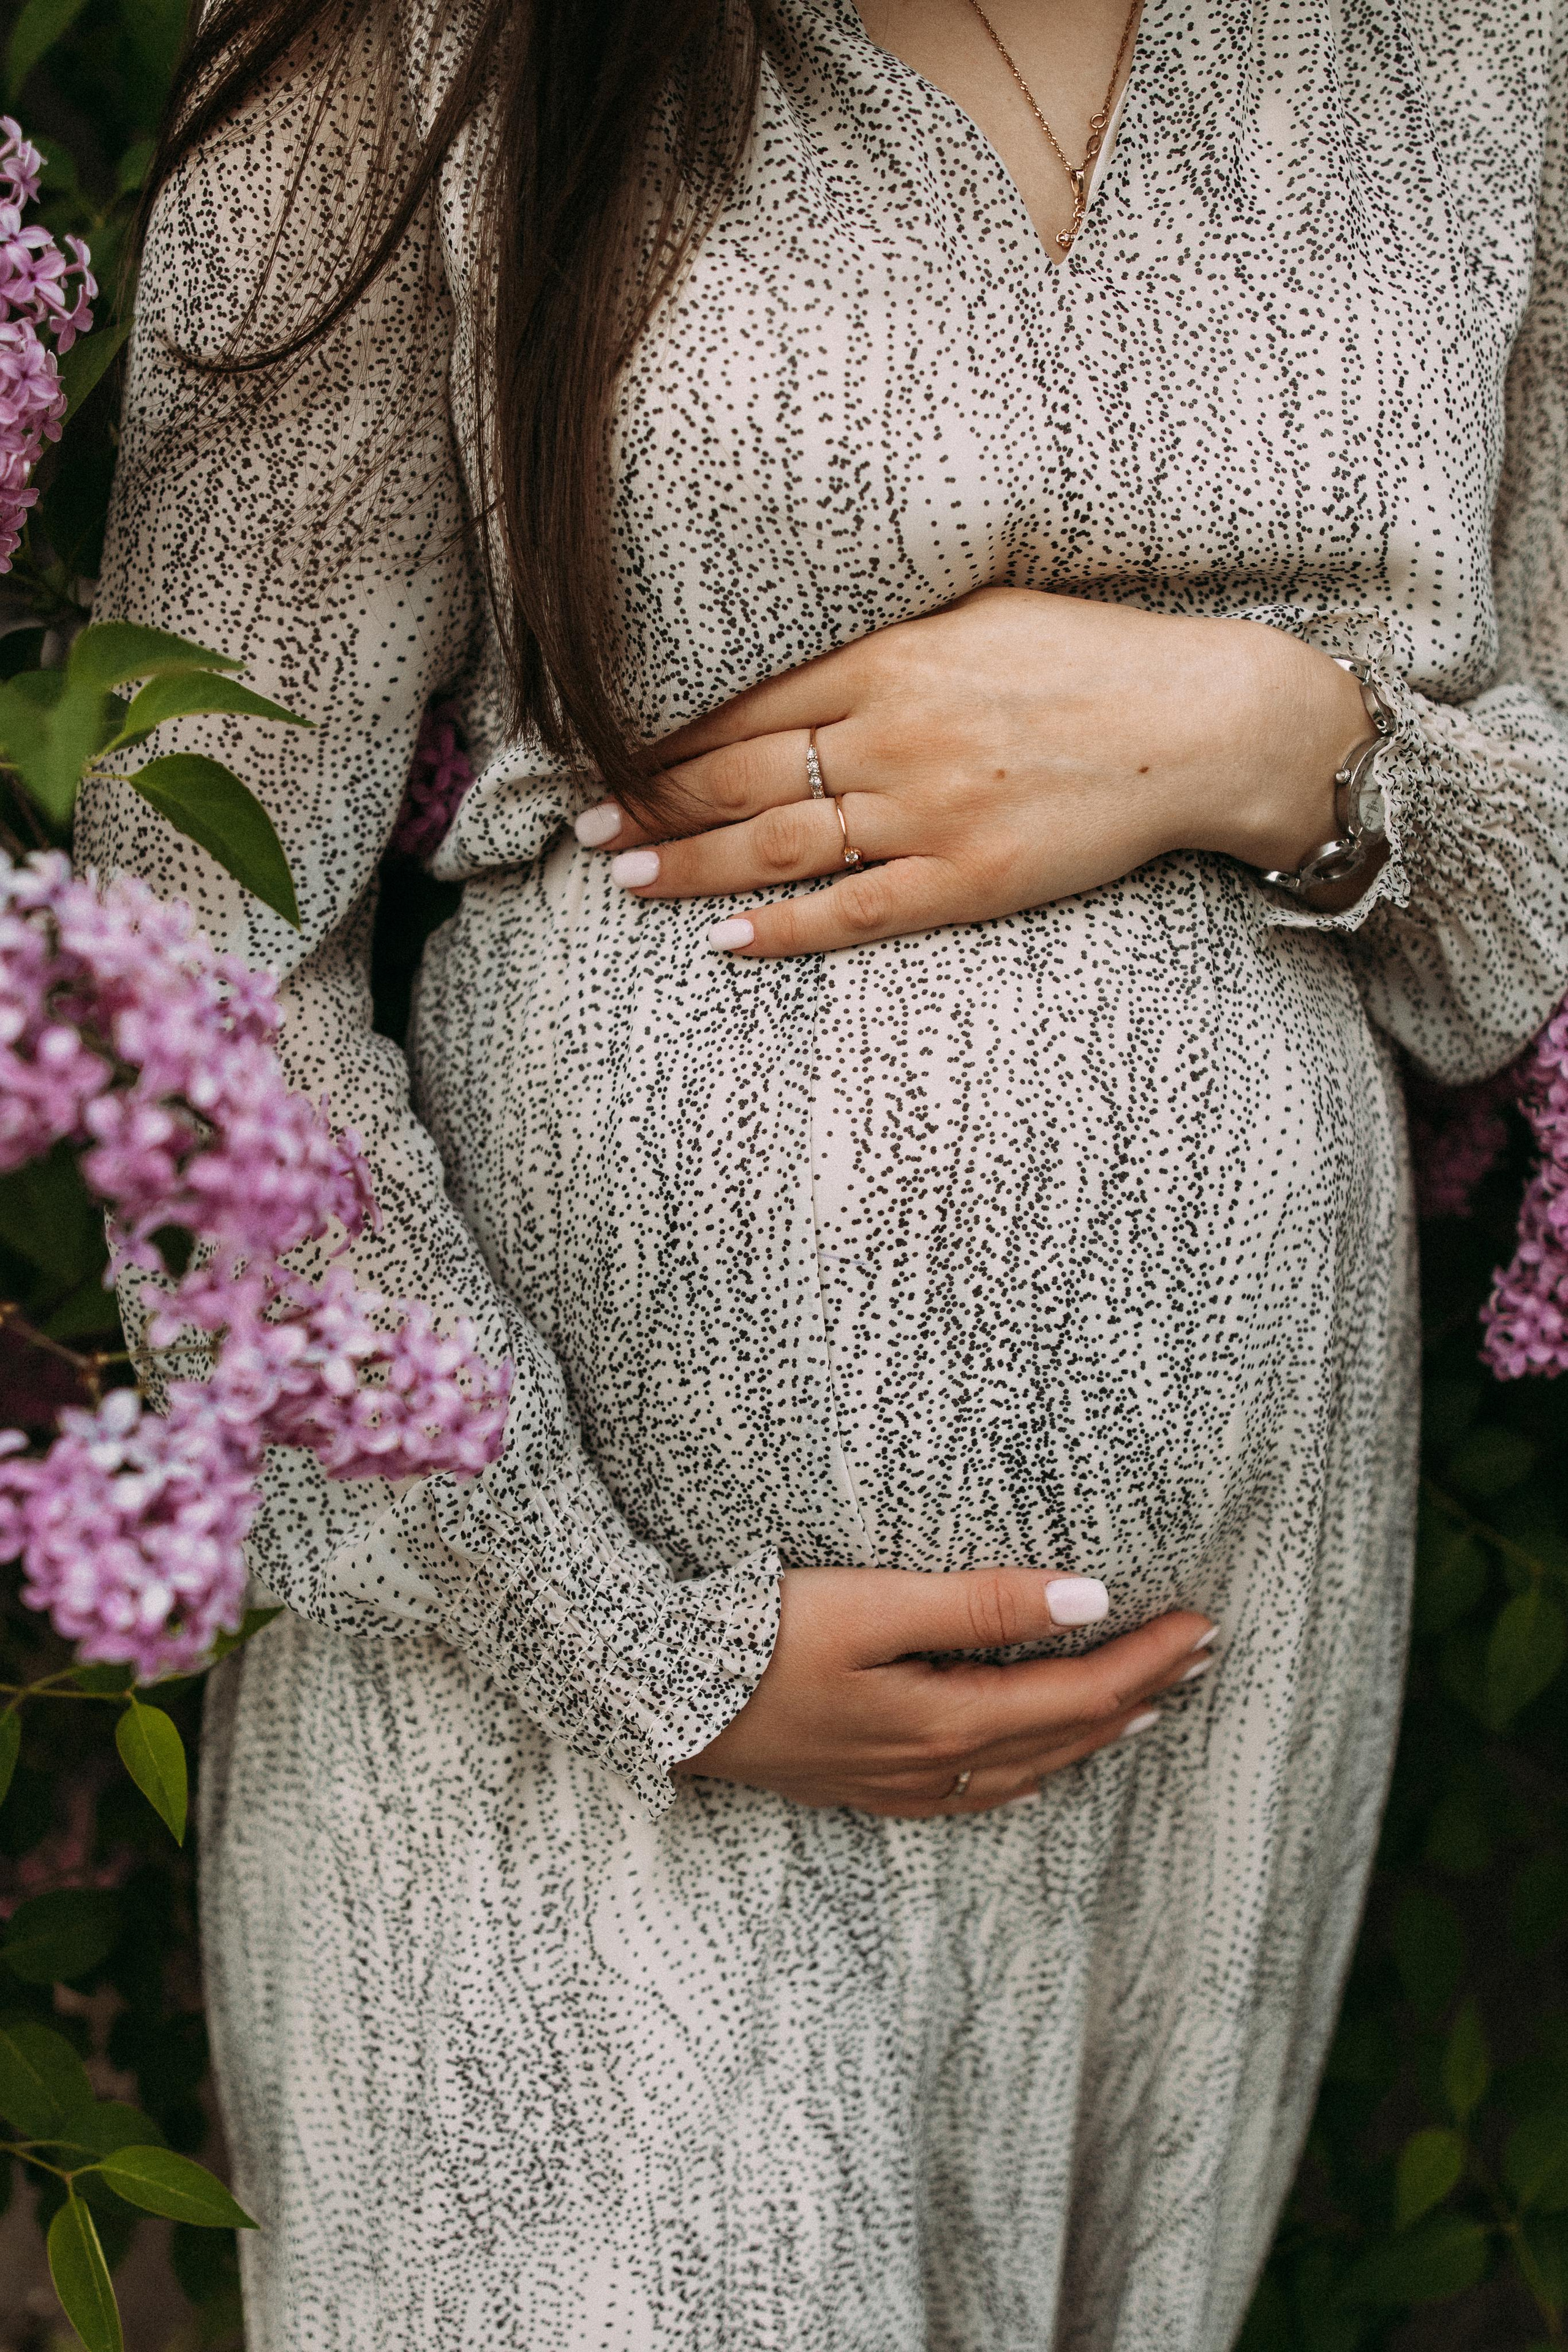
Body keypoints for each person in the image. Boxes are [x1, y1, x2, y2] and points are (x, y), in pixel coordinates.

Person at [78, 0, 1568, 2345]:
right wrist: (614, 1632)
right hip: (561, 1700)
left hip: (1186, 1719)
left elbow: (1528, 914)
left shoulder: (1478, 44)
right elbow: (187, 923)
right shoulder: (426, 34)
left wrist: (1276, 741)